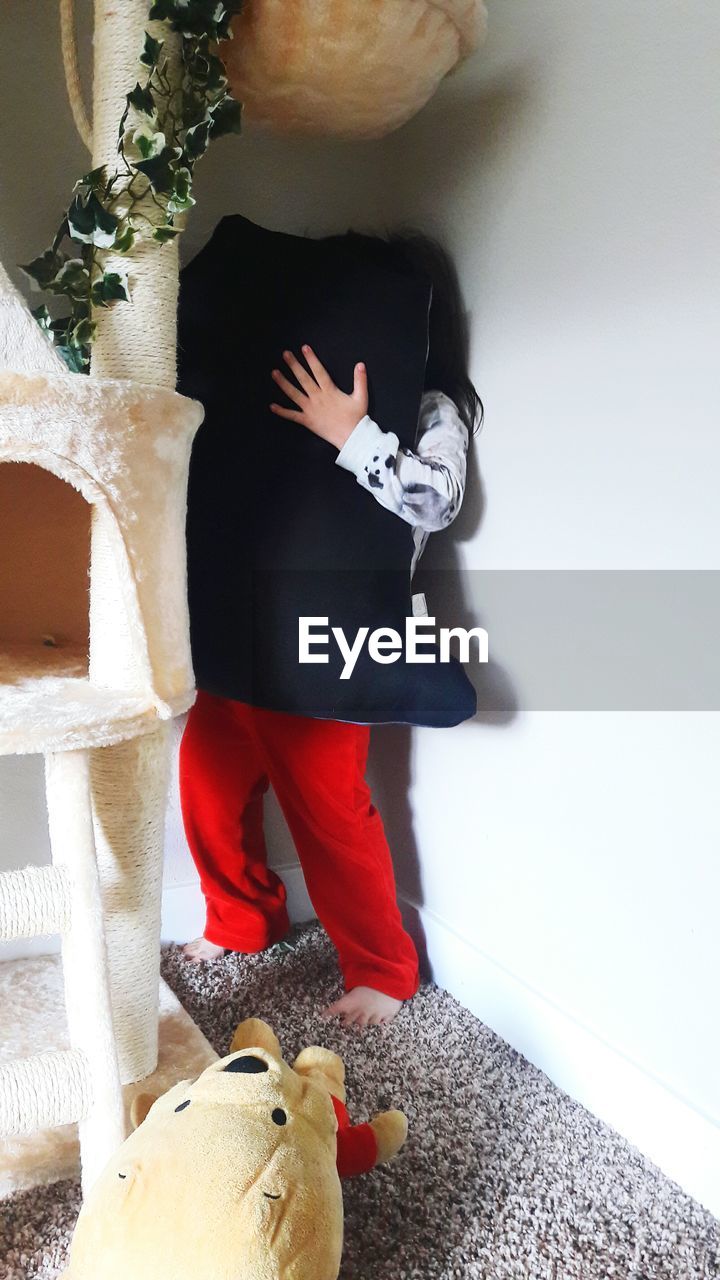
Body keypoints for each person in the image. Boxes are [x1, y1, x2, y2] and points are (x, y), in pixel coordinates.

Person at [180, 231, 482, 1027]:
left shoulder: (431, 407)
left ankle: (385, 968)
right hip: (241, 634)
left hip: (329, 649)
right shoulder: (271, 389)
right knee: (206, 787)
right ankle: (241, 918)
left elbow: (437, 501)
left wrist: (353, 433)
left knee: (329, 812)